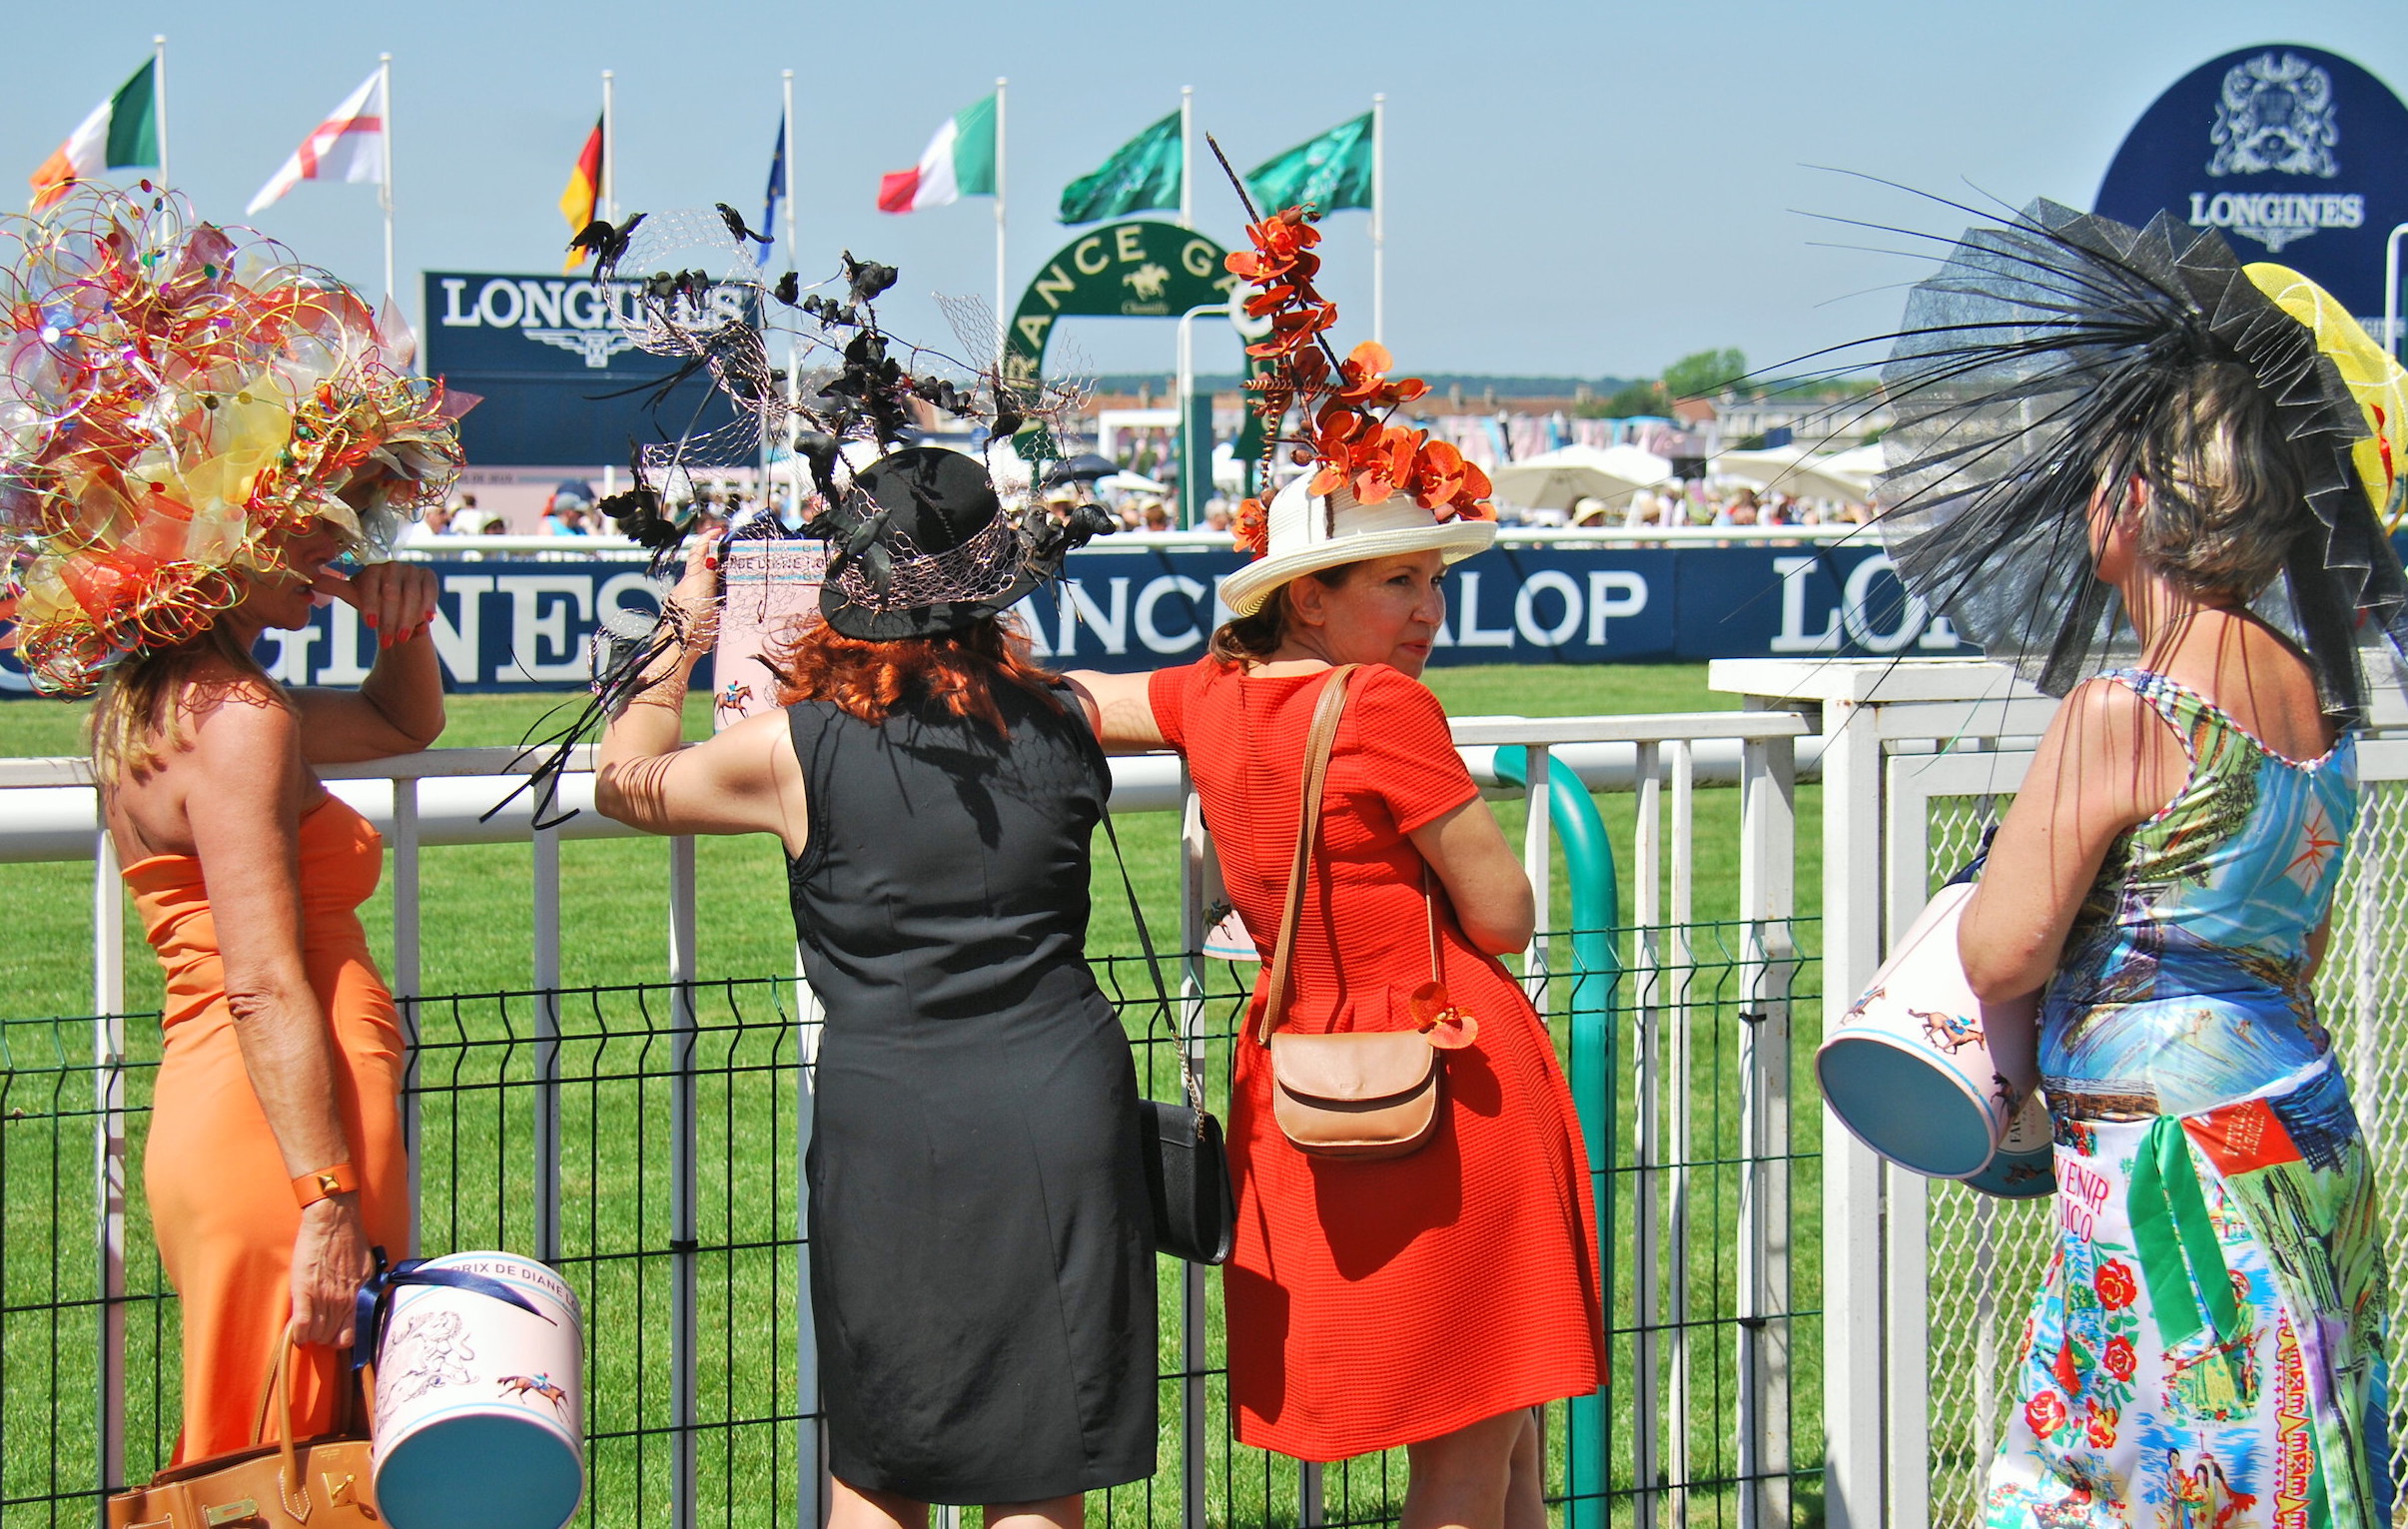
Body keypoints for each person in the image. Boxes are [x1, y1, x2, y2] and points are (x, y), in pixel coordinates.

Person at [593, 445, 1151, 1528]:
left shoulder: (789, 750)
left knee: (880, 1453)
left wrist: (683, 627)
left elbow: (623, 782)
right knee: (1039, 1467)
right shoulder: (1070, 712)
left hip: (889, 1116)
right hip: (1059, 1101)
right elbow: (1203, 696)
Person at [0, 188, 461, 1463]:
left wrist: (402, 625)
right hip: (285, 1139)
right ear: (225, 529)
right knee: (295, 1460)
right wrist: (325, 1200)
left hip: (238, 1121)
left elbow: (398, 723)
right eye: (312, 524)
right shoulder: (241, 714)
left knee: (262, 1454)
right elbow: (263, 984)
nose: (335, 551)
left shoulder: (168, 704)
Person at [1068, 473, 1604, 1529]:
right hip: (1453, 1091)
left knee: (1492, 1439)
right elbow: (1502, 912)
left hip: (1303, 1088)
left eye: (1434, 581)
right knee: (1472, 1453)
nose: (1427, 610)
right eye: (1398, 580)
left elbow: (1083, 697)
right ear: (1306, 597)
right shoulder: (1381, 705)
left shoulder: (1209, 693)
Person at [1957, 360, 2388, 1526]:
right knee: (2282, 1456)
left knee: (2105, 1477)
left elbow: (1999, 951)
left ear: (2136, 502)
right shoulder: (2311, 702)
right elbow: (2284, 951)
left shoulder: (2124, 711)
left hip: (2172, 1169)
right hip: (2291, 1126)